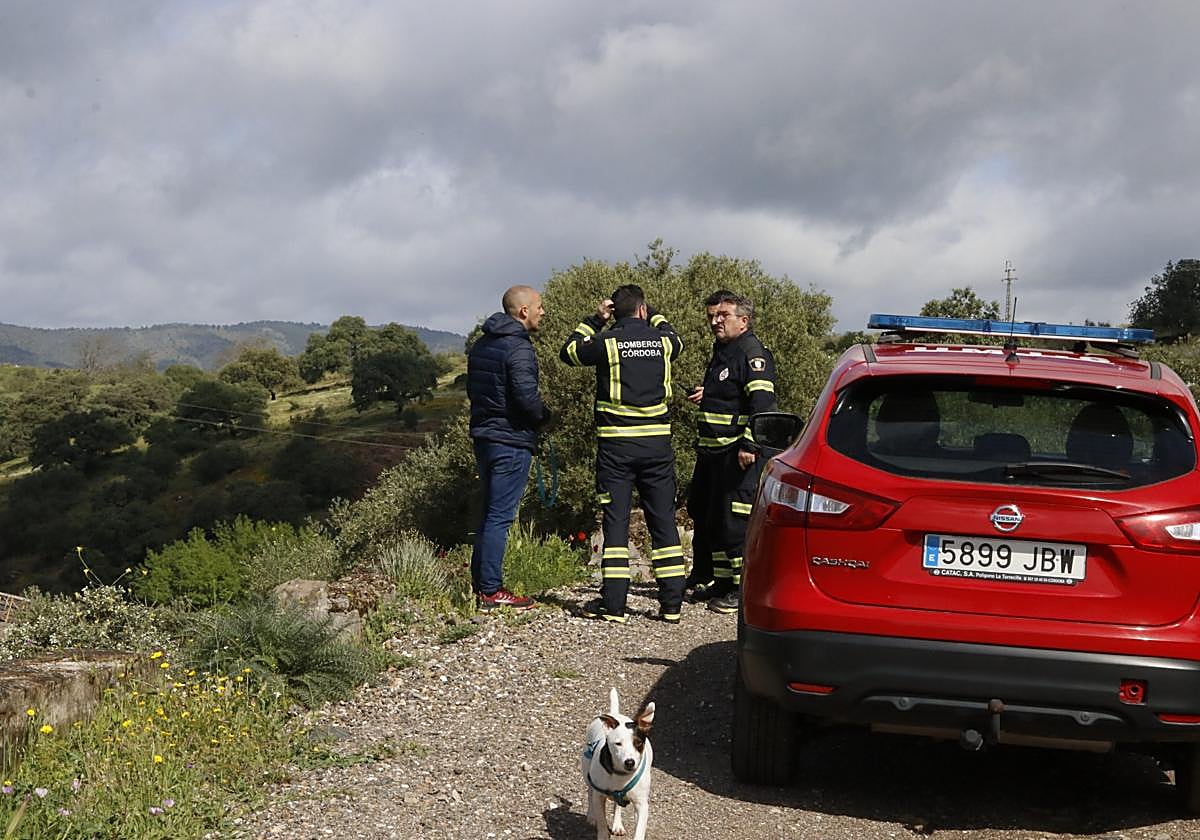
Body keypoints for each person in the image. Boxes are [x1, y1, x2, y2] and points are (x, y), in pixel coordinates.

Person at [560, 285, 686, 623]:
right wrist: (653, 313)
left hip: (616, 447)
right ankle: (672, 604)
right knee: (663, 521)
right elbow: (675, 337)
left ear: (614, 312)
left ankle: (614, 605)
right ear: (642, 310)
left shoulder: (606, 343)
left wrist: (595, 320)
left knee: (615, 523)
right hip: (657, 447)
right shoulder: (663, 341)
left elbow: (569, 351)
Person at [686, 290, 778, 615]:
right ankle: (722, 582)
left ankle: (741, 588)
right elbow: (730, 393)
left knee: (734, 521)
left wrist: (750, 445)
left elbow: (763, 404)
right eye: (712, 316)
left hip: (737, 453)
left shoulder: (752, 353)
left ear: (744, 320)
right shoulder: (724, 351)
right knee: (711, 517)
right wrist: (707, 393)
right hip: (713, 452)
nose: (715, 322)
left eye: (722, 316)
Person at [466, 285, 552, 610]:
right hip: (511, 441)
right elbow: (526, 398)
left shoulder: (481, 345)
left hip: (485, 438)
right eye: (540, 307)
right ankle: (491, 590)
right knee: (500, 516)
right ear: (523, 311)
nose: (543, 312)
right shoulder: (519, 348)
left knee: (488, 513)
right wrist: (544, 418)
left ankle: (481, 586)